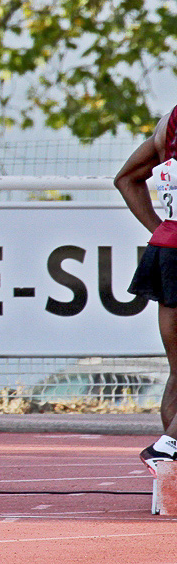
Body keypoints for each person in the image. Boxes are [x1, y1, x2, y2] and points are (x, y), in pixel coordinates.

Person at [115, 107, 177, 472]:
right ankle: (168, 446)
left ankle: (169, 474)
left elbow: (125, 179)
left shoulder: (168, 124)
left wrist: (163, 229)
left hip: (168, 249)